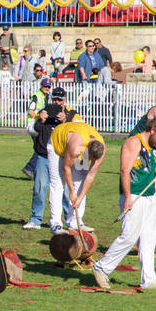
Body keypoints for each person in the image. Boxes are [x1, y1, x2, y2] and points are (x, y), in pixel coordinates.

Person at [92, 118, 156, 291]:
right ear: (152, 129)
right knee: (129, 236)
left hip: (150, 197)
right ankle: (101, 267)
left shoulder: (152, 145)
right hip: (134, 196)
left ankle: (149, 280)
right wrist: (127, 197)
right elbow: (125, 170)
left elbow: (150, 165)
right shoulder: (133, 142)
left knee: (149, 239)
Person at [47, 118, 106, 234]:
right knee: (57, 183)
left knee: (80, 181)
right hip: (56, 143)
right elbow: (66, 168)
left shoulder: (101, 149)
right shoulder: (77, 147)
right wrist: (72, 192)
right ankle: (56, 224)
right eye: (90, 159)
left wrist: (79, 197)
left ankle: (75, 222)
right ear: (87, 151)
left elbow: (90, 176)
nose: (90, 161)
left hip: (80, 146)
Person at [24, 86, 69, 229]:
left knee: (65, 191)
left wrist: (64, 122)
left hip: (62, 157)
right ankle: (35, 219)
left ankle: (70, 221)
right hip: (43, 156)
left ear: (64, 100)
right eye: (54, 99)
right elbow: (32, 130)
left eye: (59, 100)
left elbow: (76, 132)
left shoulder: (71, 114)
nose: (56, 102)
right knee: (39, 188)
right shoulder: (42, 112)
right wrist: (41, 120)